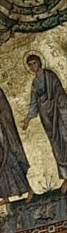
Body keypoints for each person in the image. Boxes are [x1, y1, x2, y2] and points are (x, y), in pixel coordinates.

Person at [21, 54, 67, 193]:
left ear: (39, 62)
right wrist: (28, 119)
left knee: (65, 140)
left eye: (34, 63)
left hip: (58, 114)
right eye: (29, 64)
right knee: (56, 146)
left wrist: (54, 102)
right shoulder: (34, 83)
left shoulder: (50, 76)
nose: (32, 66)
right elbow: (34, 103)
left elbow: (59, 92)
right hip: (47, 118)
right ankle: (65, 176)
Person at [0, 78, 32, 202]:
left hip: (3, 133)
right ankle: (5, 196)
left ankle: (29, 189)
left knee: (12, 163)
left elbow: (5, 112)